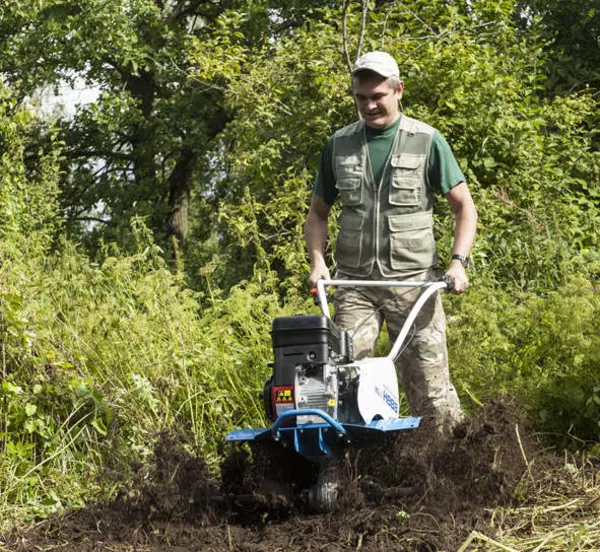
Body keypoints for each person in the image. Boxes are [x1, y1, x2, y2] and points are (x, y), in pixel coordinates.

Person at [304, 51, 477, 436]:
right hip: (354, 286)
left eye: (378, 95)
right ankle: (347, 474)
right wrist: (318, 263)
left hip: (414, 285)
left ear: (399, 91)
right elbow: (317, 214)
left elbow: (464, 208)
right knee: (340, 384)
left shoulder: (427, 141)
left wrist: (457, 263)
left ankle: (452, 469)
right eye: (361, 97)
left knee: (432, 394)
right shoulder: (339, 145)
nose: (370, 105)